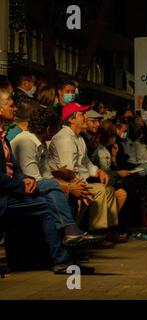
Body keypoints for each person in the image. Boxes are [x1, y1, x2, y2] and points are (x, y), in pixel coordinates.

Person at [0, 88, 94, 274]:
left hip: (13, 191)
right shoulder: (24, 141)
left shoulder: (4, 137)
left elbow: (17, 171)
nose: (15, 110)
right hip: (5, 196)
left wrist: (24, 180)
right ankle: (70, 240)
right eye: (11, 105)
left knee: (48, 205)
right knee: (51, 191)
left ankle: (64, 257)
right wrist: (23, 183)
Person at [47, 102, 125, 238]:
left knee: (109, 189)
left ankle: (109, 229)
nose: (85, 117)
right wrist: (80, 186)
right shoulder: (65, 138)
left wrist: (98, 172)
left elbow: (86, 162)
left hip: (79, 178)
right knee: (101, 190)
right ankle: (98, 231)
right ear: (71, 120)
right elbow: (69, 171)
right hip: (68, 181)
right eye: (81, 114)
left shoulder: (78, 137)